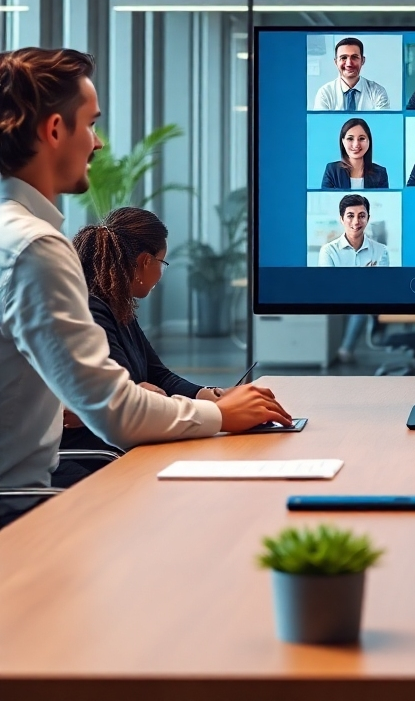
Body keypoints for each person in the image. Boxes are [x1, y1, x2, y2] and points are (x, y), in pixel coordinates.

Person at [0, 48, 291, 528]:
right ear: (54, 131)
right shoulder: (35, 247)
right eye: (90, 124)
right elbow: (113, 409)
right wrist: (222, 415)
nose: (97, 144)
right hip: (19, 505)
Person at [62, 207, 227, 451]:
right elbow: (122, 402)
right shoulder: (91, 311)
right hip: (97, 458)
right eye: (163, 262)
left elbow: (158, 376)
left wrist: (209, 395)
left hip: (126, 446)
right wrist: (145, 394)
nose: (161, 273)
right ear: (145, 261)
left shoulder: (118, 306)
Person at [313, 37, 390, 111]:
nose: (349, 63)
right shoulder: (325, 93)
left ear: (363, 60)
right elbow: (321, 124)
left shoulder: (377, 91)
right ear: (336, 62)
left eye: (354, 57)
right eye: (343, 57)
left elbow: (382, 123)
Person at [318, 193, 389, 267]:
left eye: (361, 216)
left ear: (368, 219)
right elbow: (328, 278)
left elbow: (383, 278)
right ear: (342, 219)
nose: (356, 222)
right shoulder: (329, 251)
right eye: (350, 216)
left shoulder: (381, 251)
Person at [321, 118, 389, 190]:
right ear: (343, 141)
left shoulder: (380, 173)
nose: (356, 145)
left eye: (362, 138)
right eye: (350, 139)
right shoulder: (332, 170)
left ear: (369, 141)